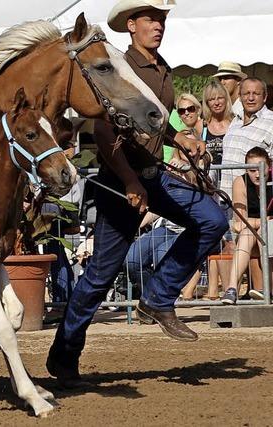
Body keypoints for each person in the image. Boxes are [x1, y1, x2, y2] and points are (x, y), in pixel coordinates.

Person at [46, 0, 228, 386]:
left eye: (161, 20)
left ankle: (158, 298)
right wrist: (129, 181)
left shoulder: (163, 69)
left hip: (153, 176)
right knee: (100, 274)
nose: (158, 26)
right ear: (131, 25)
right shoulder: (120, 66)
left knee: (212, 220)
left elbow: (151, 123)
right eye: (150, 19)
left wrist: (180, 137)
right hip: (121, 182)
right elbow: (103, 130)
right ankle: (64, 355)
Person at [221, 147, 273, 304]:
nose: (257, 174)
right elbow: (239, 223)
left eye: (261, 169)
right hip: (253, 230)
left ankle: (267, 288)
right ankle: (231, 289)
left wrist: (260, 223)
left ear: (269, 167)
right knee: (246, 234)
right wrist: (264, 221)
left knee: (264, 233)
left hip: (269, 231)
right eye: (252, 170)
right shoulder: (240, 182)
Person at [219, 77, 273, 198]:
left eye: (256, 94)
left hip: (255, 203)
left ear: (264, 97)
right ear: (240, 96)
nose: (251, 98)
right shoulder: (235, 120)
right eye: (246, 93)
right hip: (225, 198)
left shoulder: (271, 122)